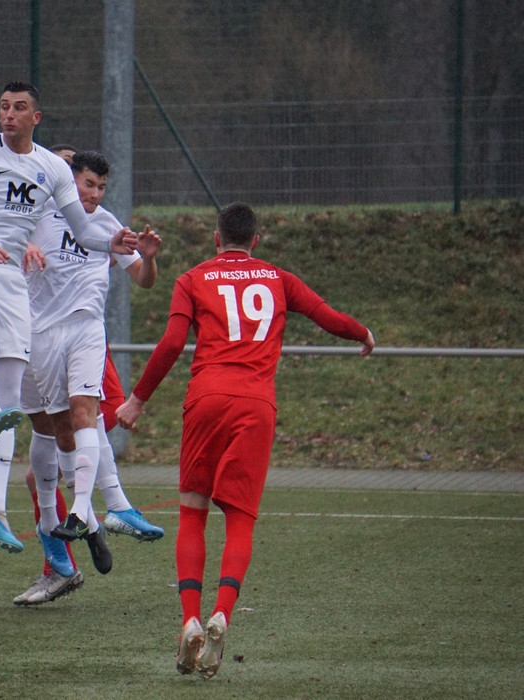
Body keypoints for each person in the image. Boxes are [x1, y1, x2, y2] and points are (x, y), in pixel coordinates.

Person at [115, 201, 375, 679]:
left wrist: (137, 399)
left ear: (216, 238)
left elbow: (173, 343)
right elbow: (327, 316)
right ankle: (222, 614)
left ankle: (189, 619)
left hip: (206, 399)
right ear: (255, 240)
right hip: (256, 406)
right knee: (239, 520)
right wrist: (362, 333)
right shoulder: (278, 278)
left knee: (192, 511)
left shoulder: (193, 278)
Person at [0, 82, 138, 553]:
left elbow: (85, 230)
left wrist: (116, 244)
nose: (9, 114)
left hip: (10, 281)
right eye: (4, 107)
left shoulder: (51, 167)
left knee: (14, 396)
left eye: (19, 108)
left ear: (36, 118)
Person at [13, 148, 165, 605]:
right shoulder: (37, 212)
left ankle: (100, 508)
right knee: (53, 434)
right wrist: (23, 244)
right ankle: (85, 527)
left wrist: (150, 258)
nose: (95, 194)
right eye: (88, 185)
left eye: (101, 187)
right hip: (34, 334)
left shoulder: (105, 223)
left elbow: (143, 278)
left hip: (85, 330)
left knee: (85, 413)